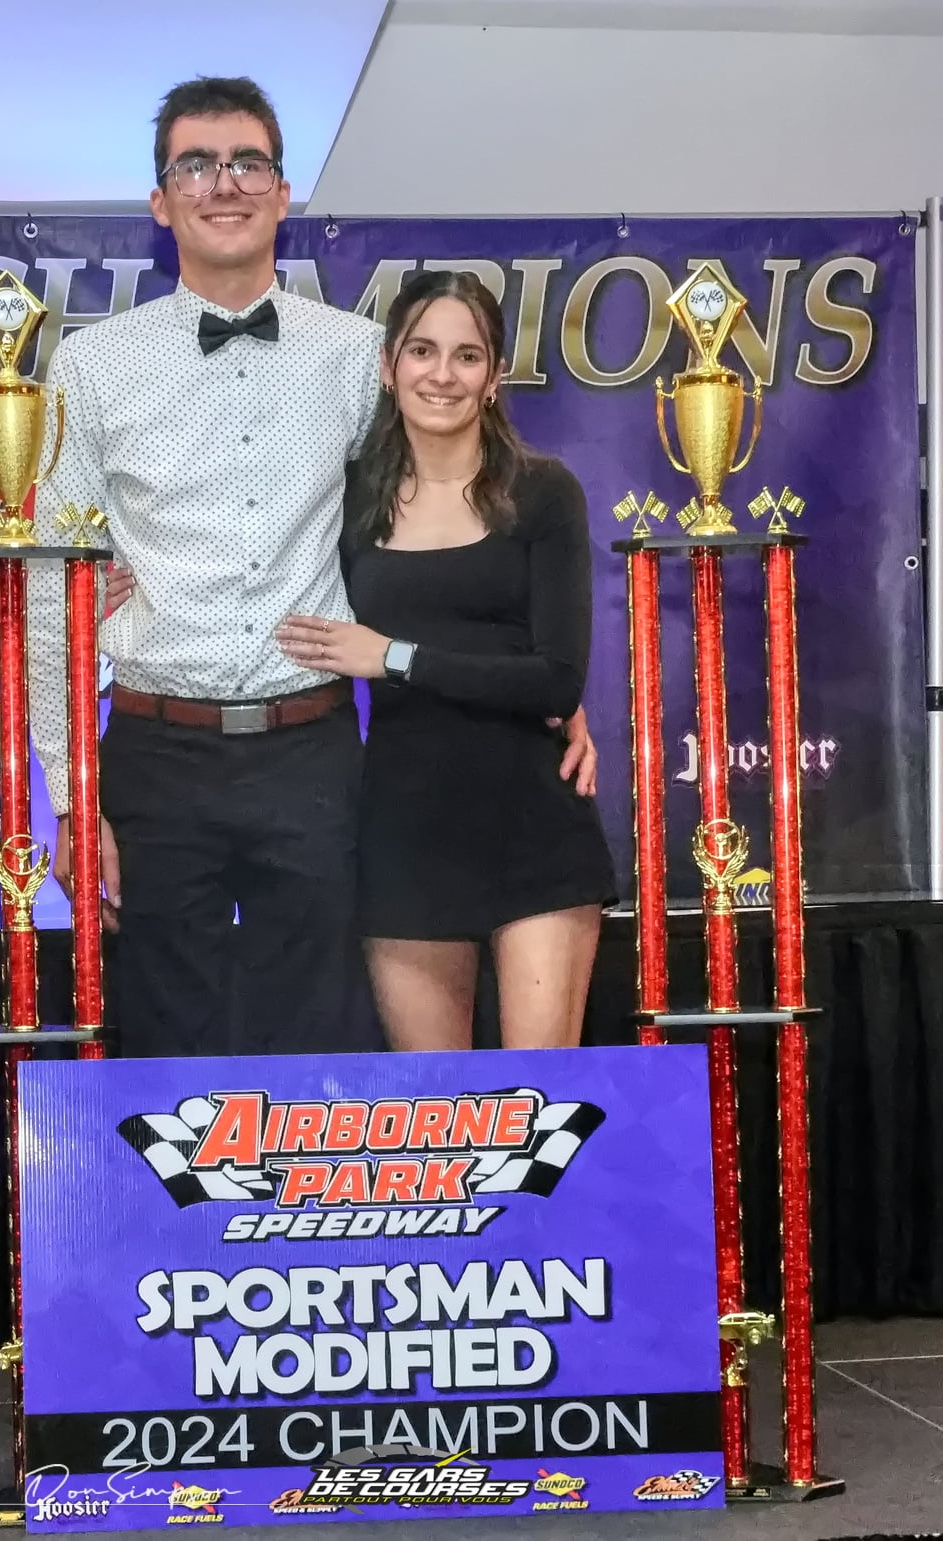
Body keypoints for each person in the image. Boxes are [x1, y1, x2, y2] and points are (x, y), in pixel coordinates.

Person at [27, 77, 593, 1058]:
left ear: (283, 192)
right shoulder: (91, 367)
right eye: (194, 164)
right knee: (165, 1040)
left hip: (314, 752)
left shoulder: (363, 357)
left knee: (320, 1040)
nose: (223, 183)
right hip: (156, 754)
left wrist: (549, 684)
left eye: (246, 161)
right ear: (160, 202)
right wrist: (73, 798)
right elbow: (48, 589)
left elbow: (454, 529)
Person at [277, 271, 615, 1050]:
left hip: (533, 822)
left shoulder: (543, 492)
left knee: (539, 1109)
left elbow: (557, 676)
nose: (443, 373)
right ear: (390, 366)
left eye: (468, 356)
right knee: (439, 1116)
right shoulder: (350, 496)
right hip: (404, 829)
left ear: (494, 377)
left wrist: (392, 656)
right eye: (423, 350)